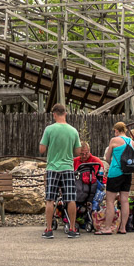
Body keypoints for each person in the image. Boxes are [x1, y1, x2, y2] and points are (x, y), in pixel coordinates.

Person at [39, 102, 82, 239]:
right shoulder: (73, 130)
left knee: (50, 199)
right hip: (68, 168)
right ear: (66, 114)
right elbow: (78, 151)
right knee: (70, 199)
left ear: (54, 114)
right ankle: (72, 228)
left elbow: (42, 149)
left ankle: (49, 229)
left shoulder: (49, 129)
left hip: (53, 168)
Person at [101, 122, 134, 234]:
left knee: (110, 201)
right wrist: (133, 168)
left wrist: (113, 164)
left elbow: (107, 157)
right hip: (127, 174)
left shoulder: (114, 140)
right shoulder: (131, 142)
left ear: (117, 131)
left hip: (115, 174)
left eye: (115, 131)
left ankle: (107, 228)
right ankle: (123, 228)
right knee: (124, 201)